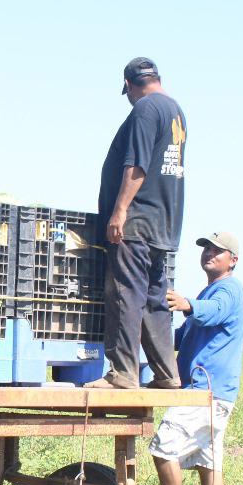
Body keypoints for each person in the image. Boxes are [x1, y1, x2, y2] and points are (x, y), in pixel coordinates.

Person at [88, 57, 187, 390]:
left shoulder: (145, 109)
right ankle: (167, 373)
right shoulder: (175, 110)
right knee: (154, 298)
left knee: (125, 294)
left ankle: (123, 373)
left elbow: (137, 166)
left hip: (138, 221)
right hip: (163, 222)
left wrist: (119, 212)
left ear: (130, 85)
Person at [149, 231, 243, 485]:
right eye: (206, 249)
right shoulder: (209, 292)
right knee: (209, 461)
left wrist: (186, 304)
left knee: (163, 448)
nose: (209, 254)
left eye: (217, 251)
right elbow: (184, 338)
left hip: (204, 390)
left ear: (233, 260)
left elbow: (212, 313)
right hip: (214, 392)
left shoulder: (228, 291)